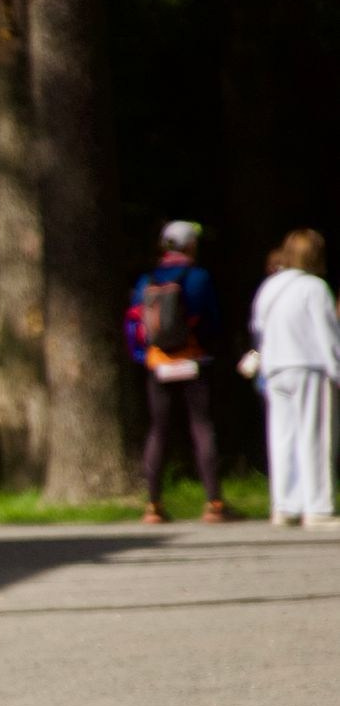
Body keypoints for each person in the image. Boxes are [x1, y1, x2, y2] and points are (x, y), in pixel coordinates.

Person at [125, 219, 229, 524]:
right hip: (193, 360)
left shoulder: (147, 280)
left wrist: (144, 355)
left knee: (158, 430)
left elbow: (135, 321)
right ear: (190, 246)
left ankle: (153, 505)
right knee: (201, 426)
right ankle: (214, 503)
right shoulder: (199, 277)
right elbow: (212, 320)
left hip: (158, 363)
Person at [249, 229, 340, 527]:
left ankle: (285, 505)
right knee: (315, 436)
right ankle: (317, 507)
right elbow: (327, 336)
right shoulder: (315, 288)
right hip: (309, 366)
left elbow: (258, 327)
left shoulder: (270, 287)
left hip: (276, 368)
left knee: (282, 437)